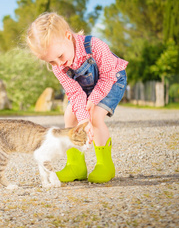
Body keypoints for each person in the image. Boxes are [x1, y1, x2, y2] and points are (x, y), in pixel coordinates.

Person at [26, 12, 128, 183]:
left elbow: (108, 76)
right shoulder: (59, 66)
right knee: (70, 115)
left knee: (95, 116)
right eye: (51, 62)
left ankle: (105, 165)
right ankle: (76, 165)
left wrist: (93, 101)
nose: (58, 64)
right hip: (85, 88)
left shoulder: (95, 46)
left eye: (59, 56)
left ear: (68, 37)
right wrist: (82, 119)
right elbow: (75, 93)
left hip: (112, 80)